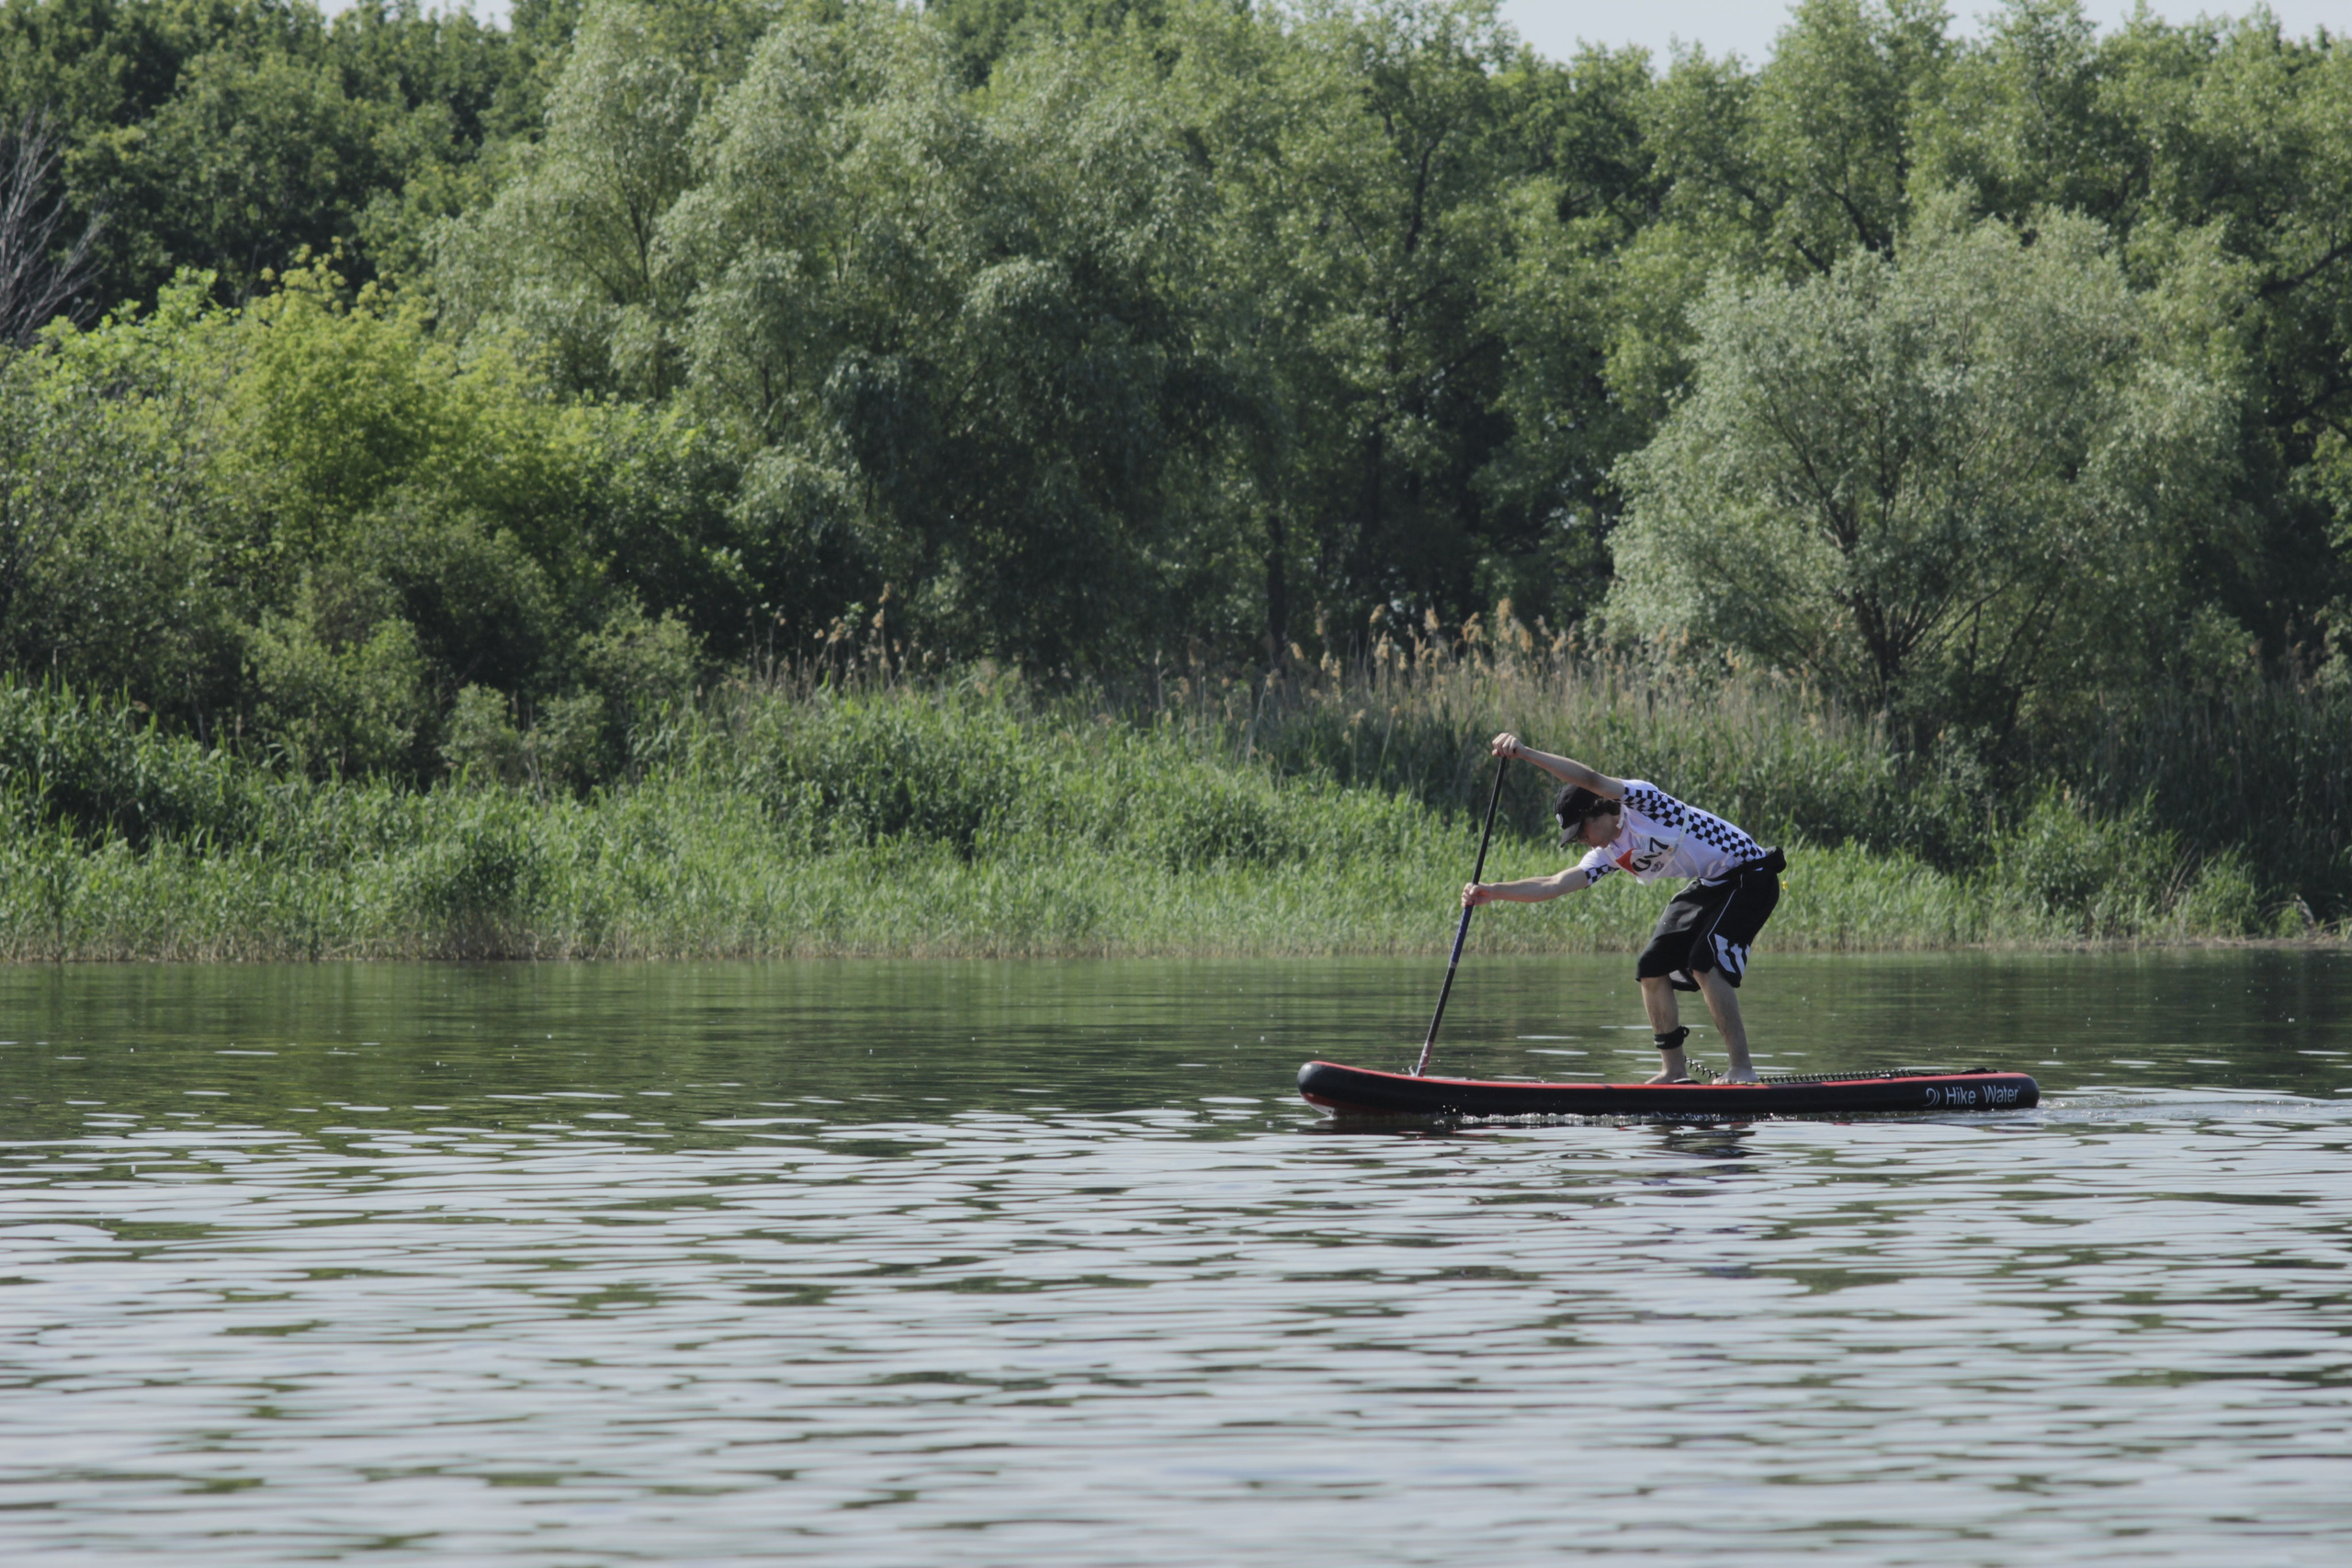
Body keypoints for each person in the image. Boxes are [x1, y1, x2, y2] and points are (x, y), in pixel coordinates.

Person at [1461, 732, 1786, 1085]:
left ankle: (1742, 1068)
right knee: (1650, 966)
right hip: (1711, 884)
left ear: (1599, 807)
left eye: (1580, 829)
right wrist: (1493, 892)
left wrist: (1525, 754)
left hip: (1751, 874)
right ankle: (1673, 1071)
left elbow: (1588, 779)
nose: (1580, 840)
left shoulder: (1645, 804)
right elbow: (1554, 884)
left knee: (1704, 961)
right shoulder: (1608, 853)